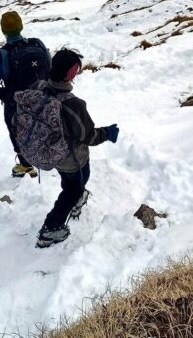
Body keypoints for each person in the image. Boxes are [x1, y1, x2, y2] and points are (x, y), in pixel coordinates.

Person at [36, 48, 119, 249]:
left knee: (69, 182)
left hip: (52, 154)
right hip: (74, 159)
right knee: (73, 189)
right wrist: (108, 133)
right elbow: (88, 136)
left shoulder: (39, 89)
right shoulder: (74, 104)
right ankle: (50, 228)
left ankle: (75, 197)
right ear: (70, 74)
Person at [0, 11, 50, 178]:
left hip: (16, 104)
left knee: (17, 133)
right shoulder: (38, 44)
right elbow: (50, 69)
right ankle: (48, 155)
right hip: (43, 98)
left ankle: (26, 165)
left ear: (3, 30)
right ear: (21, 26)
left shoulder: (0, 55)